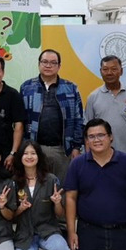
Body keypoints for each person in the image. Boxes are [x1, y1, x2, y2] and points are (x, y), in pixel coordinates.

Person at [64, 118, 126, 250]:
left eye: (101, 135)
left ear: (111, 137)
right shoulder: (77, 164)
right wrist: (72, 232)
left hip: (122, 229)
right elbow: (71, 198)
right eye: (91, 136)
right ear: (86, 141)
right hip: (90, 229)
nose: (97, 140)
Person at [20, 49, 84, 183]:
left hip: (62, 150)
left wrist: (76, 147)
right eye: (45, 62)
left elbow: (78, 119)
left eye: (53, 63)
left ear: (59, 66)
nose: (48, 65)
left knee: (62, 189)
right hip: (34, 149)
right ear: (39, 64)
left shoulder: (70, 88)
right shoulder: (26, 87)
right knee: (36, 188)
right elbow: (20, 121)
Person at [12, 141, 71, 250]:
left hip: (47, 230)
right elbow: (11, 216)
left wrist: (57, 203)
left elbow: (60, 214)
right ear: (20, 157)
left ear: (39, 156)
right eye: (25, 153)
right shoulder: (14, 181)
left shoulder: (51, 180)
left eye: (33, 153)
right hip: (25, 234)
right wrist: (20, 208)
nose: (29, 157)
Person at [84, 55, 126, 168]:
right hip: (100, 157)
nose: (109, 73)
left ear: (121, 71)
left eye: (114, 69)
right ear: (101, 71)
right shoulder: (93, 97)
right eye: (105, 69)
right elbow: (87, 129)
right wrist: (88, 154)